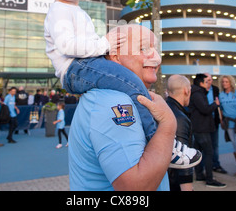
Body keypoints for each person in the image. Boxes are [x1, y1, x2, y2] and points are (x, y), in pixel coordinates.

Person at [43, 0, 198, 169]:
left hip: (82, 65)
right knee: (127, 79)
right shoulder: (59, 11)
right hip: (74, 69)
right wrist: (103, 44)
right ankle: (161, 142)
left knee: (128, 81)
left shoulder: (75, 11)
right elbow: (67, 45)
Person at [68, 24, 176, 190]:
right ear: (116, 56)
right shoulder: (113, 101)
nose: (157, 58)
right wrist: (168, 124)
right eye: (144, 48)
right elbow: (135, 188)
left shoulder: (115, 97)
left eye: (156, 49)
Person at [189, 73, 226, 188]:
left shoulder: (197, 92)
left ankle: (200, 175)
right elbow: (205, 109)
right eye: (207, 81)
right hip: (202, 128)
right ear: (201, 83)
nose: (209, 83)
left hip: (199, 127)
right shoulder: (198, 94)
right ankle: (210, 179)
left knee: (198, 152)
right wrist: (215, 104)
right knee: (208, 152)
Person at [166, 75, 201, 191]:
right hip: (174, 183)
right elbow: (183, 159)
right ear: (186, 91)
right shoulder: (179, 118)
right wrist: (187, 188)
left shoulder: (164, 109)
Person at [204, 72, 226, 174]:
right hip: (203, 122)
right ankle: (205, 165)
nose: (208, 82)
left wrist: (221, 119)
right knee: (204, 145)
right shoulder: (199, 90)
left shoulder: (216, 90)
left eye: (210, 80)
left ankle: (215, 164)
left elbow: (219, 106)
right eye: (206, 80)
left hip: (214, 120)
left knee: (214, 144)